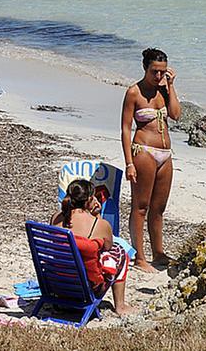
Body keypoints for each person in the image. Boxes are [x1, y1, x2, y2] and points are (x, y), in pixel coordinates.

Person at [120, 47, 182, 272]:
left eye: (162, 72)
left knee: (159, 207)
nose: (158, 76)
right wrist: (129, 163)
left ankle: (158, 252)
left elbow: (175, 115)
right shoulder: (134, 92)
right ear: (145, 68)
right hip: (143, 151)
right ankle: (139, 257)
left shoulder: (163, 90)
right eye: (154, 71)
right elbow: (126, 129)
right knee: (140, 206)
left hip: (165, 155)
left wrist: (171, 86)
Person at [51, 179, 135, 316]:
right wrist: (96, 215)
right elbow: (108, 247)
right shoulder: (99, 224)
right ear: (89, 199)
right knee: (120, 252)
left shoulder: (56, 218)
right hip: (85, 288)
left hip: (58, 285)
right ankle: (120, 306)